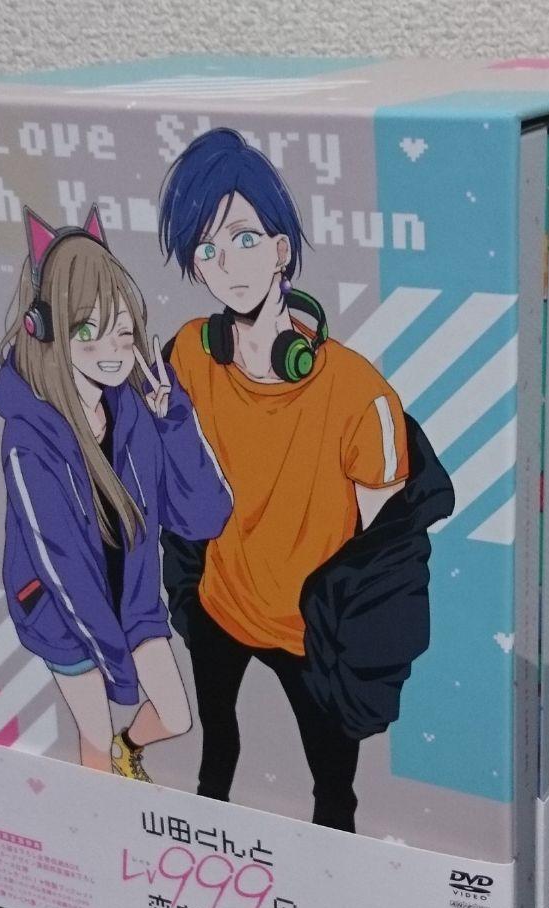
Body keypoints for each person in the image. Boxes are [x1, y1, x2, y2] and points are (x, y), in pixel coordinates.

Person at [157, 129, 454, 833]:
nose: (227, 265)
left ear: (283, 249)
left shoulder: (359, 395)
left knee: (333, 795)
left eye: (244, 239)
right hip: (218, 604)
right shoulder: (189, 358)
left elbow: (381, 554)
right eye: (206, 250)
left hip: (311, 637)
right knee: (215, 755)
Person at [0, 204, 232, 781]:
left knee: (176, 717)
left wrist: (173, 422)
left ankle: (129, 751)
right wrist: (116, 664)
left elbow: (205, 517)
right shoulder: (29, 440)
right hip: (60, 611)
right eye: (89, 330)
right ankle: (102, 808)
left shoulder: (134, 410)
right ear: (44, 329)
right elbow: (60, 564)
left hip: (132, 599)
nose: (113, 350)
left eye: (123, 332)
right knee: (95, 737)